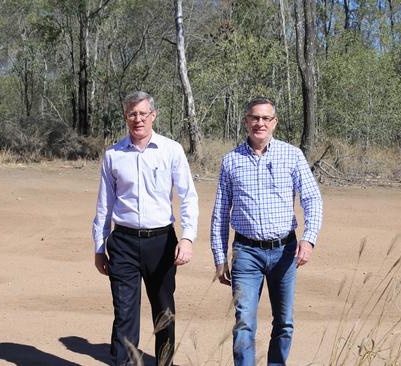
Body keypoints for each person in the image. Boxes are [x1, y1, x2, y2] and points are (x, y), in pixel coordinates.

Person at [210, 97, 323, 365]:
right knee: (244, 323)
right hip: (245, 253)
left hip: (285, 251)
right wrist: (219, 257)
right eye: (254, 118)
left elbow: (312, 199)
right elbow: (220, 212)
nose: (260, 123)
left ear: (275, 122)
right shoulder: (231, 161)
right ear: (246, 121)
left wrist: (309, 240)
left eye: (265, 118)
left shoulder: (292, 155)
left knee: (284, 322)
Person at [92, 91, 199, 366]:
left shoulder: (171, 150)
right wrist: (99, 246)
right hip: (123, 242)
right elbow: (104, 204)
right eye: (132, 114)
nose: (137, 119)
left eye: (142, 113)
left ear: (153, 115)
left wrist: (187, 239)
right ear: (125, 117)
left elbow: (188, 197)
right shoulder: (113, 155)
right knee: (125, 313)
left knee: (164, 311)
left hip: (162, 243)